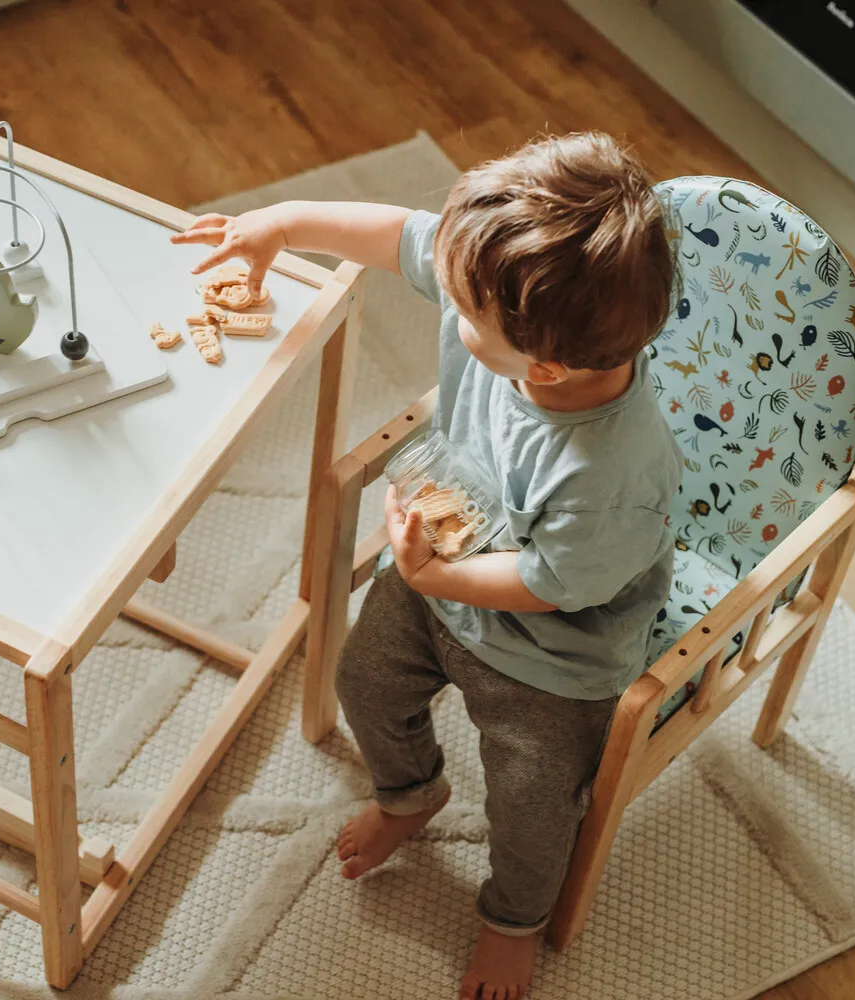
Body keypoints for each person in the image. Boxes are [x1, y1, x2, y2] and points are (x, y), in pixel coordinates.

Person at [172, 132, 683, 1000]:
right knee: (363, 680)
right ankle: (411, 795)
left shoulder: (613, 475)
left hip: (552, 658)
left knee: (531, 798)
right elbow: (397, 236)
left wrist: (439, 579)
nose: (443, 302)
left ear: (546, 366)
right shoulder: (501, 313)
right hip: (442, 572)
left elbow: (554, 587)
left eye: (459, 309)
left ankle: (512, 920)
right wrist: (279, 223)